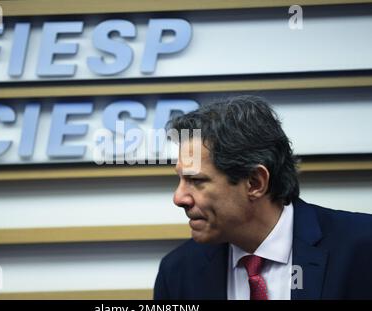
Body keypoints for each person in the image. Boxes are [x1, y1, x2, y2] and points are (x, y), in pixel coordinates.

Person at [154, 96, 372, 300]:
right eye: (180, 179)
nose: (179, 197)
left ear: (255, 183)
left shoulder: (362, 247)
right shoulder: (178, 273)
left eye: (197, 181)